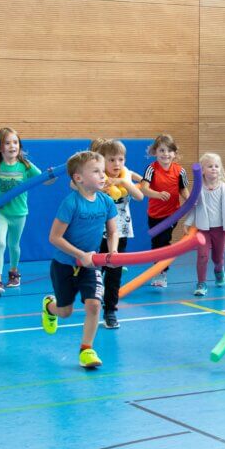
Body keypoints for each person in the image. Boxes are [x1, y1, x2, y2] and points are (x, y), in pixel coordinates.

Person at [41, 151, 118, 369]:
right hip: (64, 264)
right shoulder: (71, 203)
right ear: (78, 178)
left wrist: (111, 253)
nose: (103, 176)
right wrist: (79, 255)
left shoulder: (106, 201)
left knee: (94, 305)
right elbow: (54, 237)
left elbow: (113, 232)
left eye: (103, 171)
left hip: (91, 265)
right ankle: (49, 307)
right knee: (65, 312)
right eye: (96, 171)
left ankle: (87, 350)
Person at [0, 127, 49, 297]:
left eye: (15, 142)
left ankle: (13, 272)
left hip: (19, 214)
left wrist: (51, 175)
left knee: (14, 245)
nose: (12, 146)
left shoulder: (26, 166)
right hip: (0, 213)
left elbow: (45, 181)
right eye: (7, 143)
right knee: (0, 243)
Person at [94, 139, 143, 329]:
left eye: (120, 159)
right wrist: (101, 187)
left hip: (120, 233)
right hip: (97, 233)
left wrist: (124, 181)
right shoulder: (98, 178)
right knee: (94, 270)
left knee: (114, 273)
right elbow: (75, 186)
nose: (117, 164)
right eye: (111, 160)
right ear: (102, 161)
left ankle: (110, 311)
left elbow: (139, 196)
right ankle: (94, 298)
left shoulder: (125, 176)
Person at [139, 134, 189, 288]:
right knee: (156, 244)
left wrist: (191, 201)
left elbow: (183, 190)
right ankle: (158, 269)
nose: (165, 154)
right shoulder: (151, 169)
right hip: (154, 214)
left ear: (174, 153)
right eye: (161, 150)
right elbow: (144, 189)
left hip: (172, 214)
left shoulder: (180, 171)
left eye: (169, 151)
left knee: (163, 241)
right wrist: (158, 195)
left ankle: (162, 273)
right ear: (155, 152)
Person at [185, 153, 225, 296]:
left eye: (216, 166)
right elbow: (194, 207)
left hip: (220, 229)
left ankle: (219, 270)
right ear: (202, 170)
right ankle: (201, 283)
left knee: (217, 257)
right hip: (203, 229)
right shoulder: (198, 189)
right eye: (210, 166)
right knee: (202, 256)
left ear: (220, 169)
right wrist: (188, 223)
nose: (214, 169)